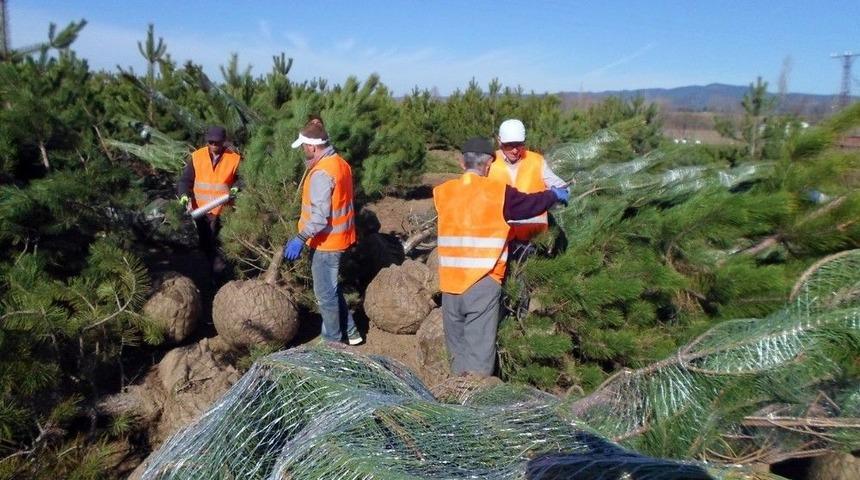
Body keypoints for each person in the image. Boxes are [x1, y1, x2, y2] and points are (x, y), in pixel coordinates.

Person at [433, 137, 568, 376]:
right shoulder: (497, 192)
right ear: (488, 165)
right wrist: (553, 195)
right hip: (482, 281)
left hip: (450, 285)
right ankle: (478, 406)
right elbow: (530, 204)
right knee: (479, 361)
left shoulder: (442, 193)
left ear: (461, 163)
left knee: (457, 353)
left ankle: (455, 402)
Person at [283, 118, 363, 346]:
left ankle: (332, 343)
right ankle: (351, 331)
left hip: (326, 243)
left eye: (304, 148)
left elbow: (319, 217)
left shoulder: (321, 173)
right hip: (341, 238)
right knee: (332, 288)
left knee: (325, 295)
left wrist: (300, 238)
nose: (304, 152)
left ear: (312, 147)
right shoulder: (340, 164)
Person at [488, 119, 569, 251]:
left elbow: (561, 187)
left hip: (534, 241)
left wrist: (558, 194)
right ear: (499, 141)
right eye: (509, 145)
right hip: (499, 241)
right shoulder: (490, 162)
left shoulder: (536, 161)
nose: (515, 150)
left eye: (519, 145)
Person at [177, 125, 241, 273]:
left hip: (222, 210)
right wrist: (183, 196)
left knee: (218, 244)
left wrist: (236, 188)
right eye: (210, 142)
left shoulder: (234, 159)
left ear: (224, 141)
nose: (213, 145)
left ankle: (220, 275)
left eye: (217, 142)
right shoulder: (197, 157)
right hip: (201, 210)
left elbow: (242, 179)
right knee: (205, 243)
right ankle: (212, 271)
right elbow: (185, 180)